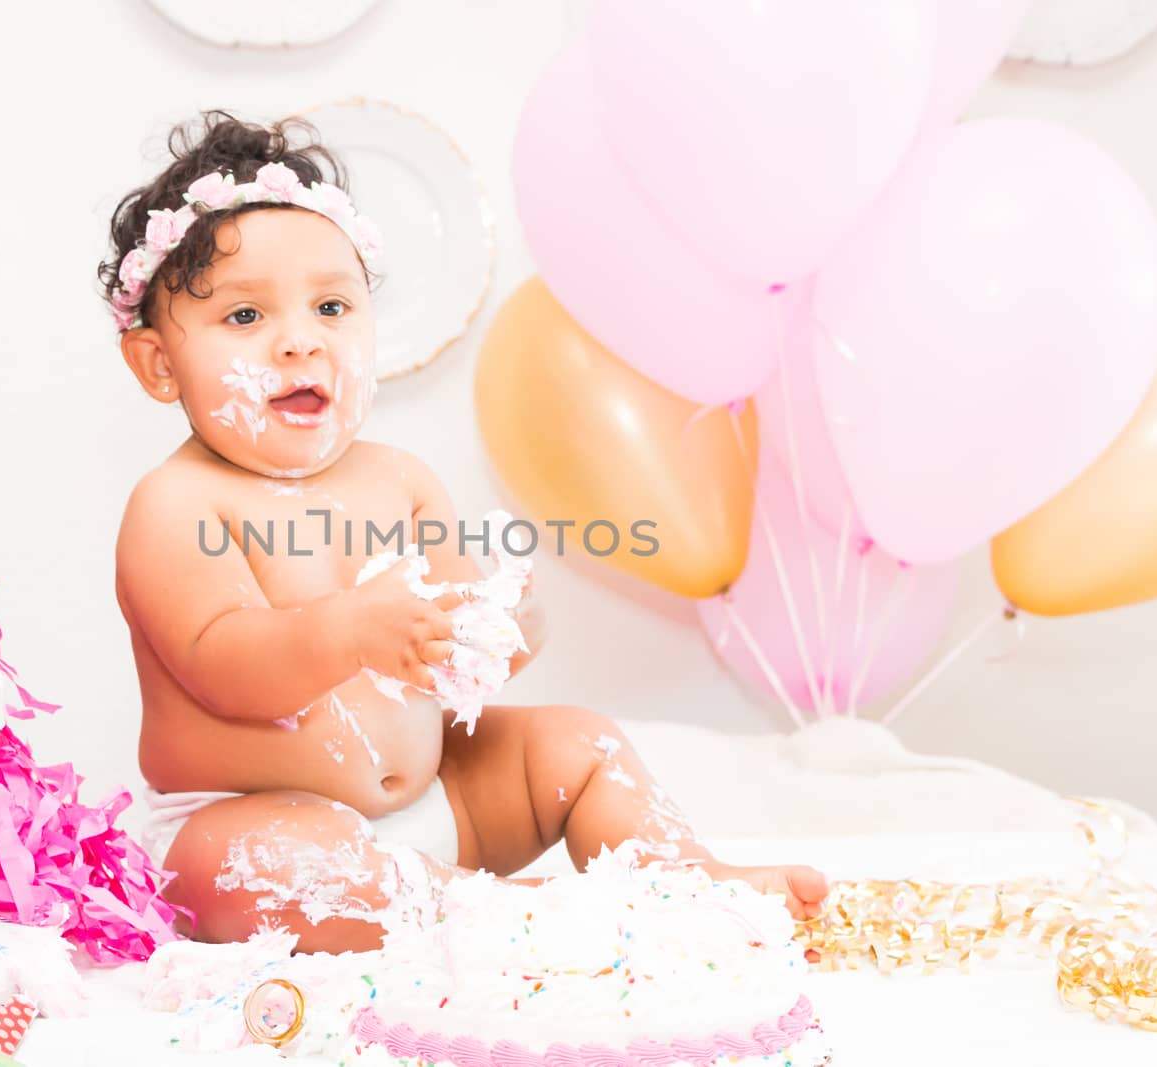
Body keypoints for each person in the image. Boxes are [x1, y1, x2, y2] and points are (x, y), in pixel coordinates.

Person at [106, 111, 828, 952]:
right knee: (257, 862)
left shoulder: (399, 480)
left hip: (440, 800)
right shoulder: (178, 505)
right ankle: (524, 914)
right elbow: (224, 665)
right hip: (255, 825)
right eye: (245, 318)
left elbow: (455, 662)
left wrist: (498, 628)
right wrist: (348, 630)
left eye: (332, 306)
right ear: (160, 363)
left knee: (575, 738)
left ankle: (677, 875)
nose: (300, 341)